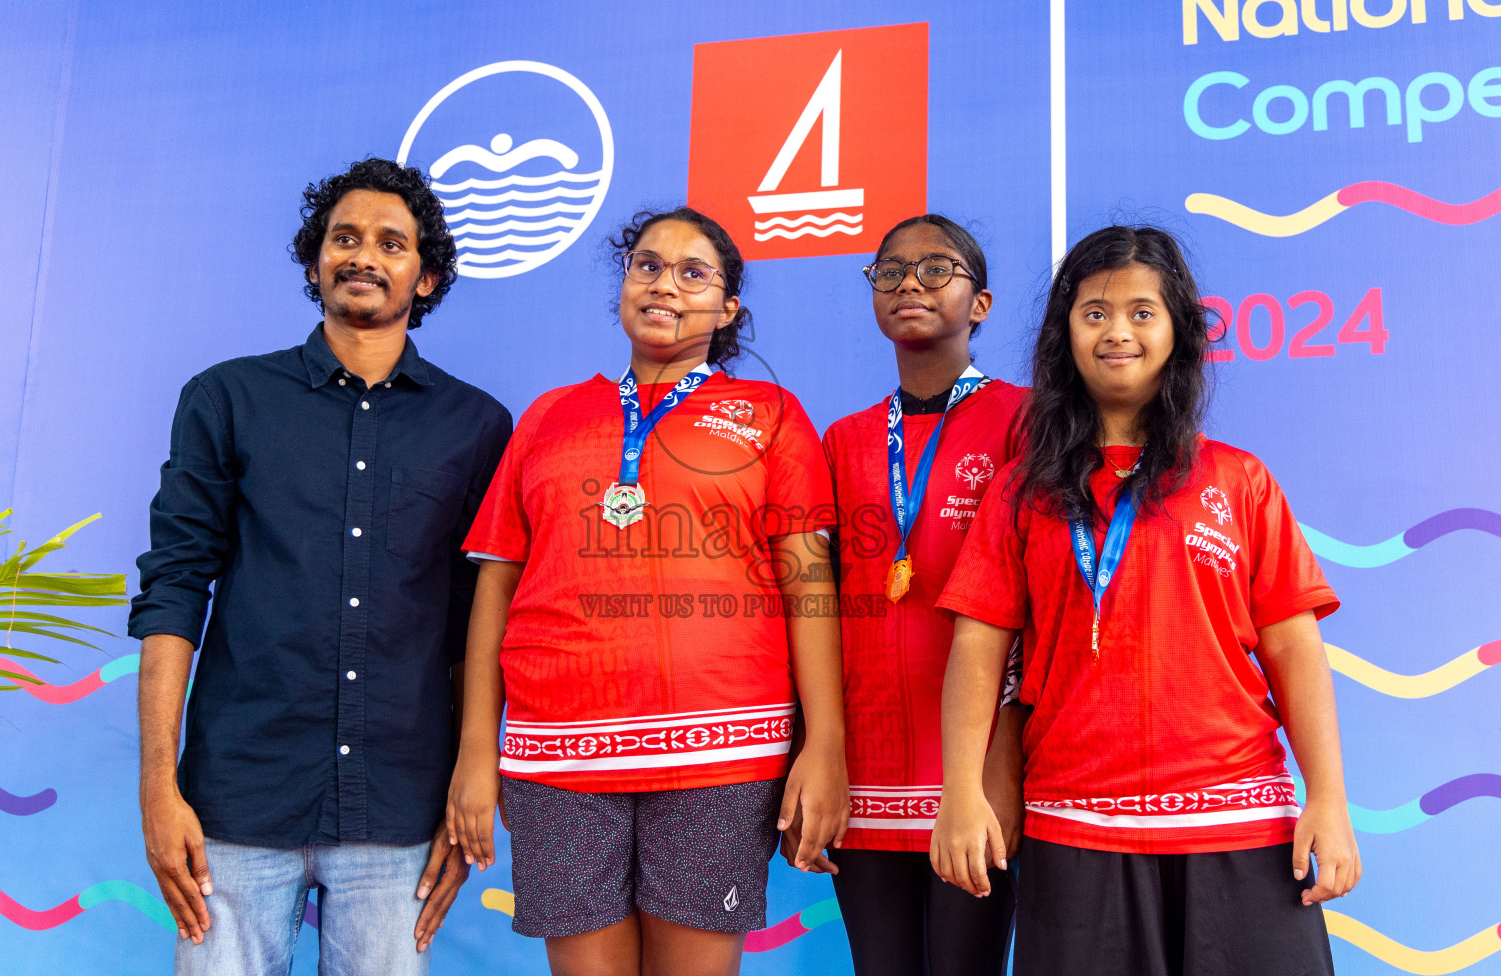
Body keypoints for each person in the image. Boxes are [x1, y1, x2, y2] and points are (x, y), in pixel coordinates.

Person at [932, 225, 1360, 975]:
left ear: (1178, 332)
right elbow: (978, 643)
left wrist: (1329, 800)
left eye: (1141, 312)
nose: (1117, 331)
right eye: (1093, 313)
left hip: (1240, 824)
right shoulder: (1021, 491)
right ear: (1065, 333)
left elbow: (1294, 646)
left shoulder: (1238, 480)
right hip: (1075, 826)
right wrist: (961, 791)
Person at [130, 157, 512, 975]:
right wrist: (158, 788)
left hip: (399, 804)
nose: (363, 256)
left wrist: (466, 789)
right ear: (314, 262)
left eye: (390, 242)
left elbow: (473, 626)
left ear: (428, 277)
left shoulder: (476, 426)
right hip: (236, 799)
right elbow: (172, 592)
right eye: (344, 237)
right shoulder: (227, 398)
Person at [445, 207, 848, 976]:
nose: (665, 284)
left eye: (694, 272)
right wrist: (474, 754)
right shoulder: (548, 417)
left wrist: (823, 743)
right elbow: (493, 587)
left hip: (722, 749)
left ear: (728, 308)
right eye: (648, 265)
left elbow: (809, 584)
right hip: (558, 756)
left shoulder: (771, 416)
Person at [821, 215, 1028, 975]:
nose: (909, 282)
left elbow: (1036, 613)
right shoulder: (843, 440)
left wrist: (999, 764)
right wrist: (821, 753)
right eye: (889, 271)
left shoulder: (1025, 421)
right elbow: (820, 612)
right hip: (866, 766)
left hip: (971, 772)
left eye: (937, 269)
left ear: (981, 304)